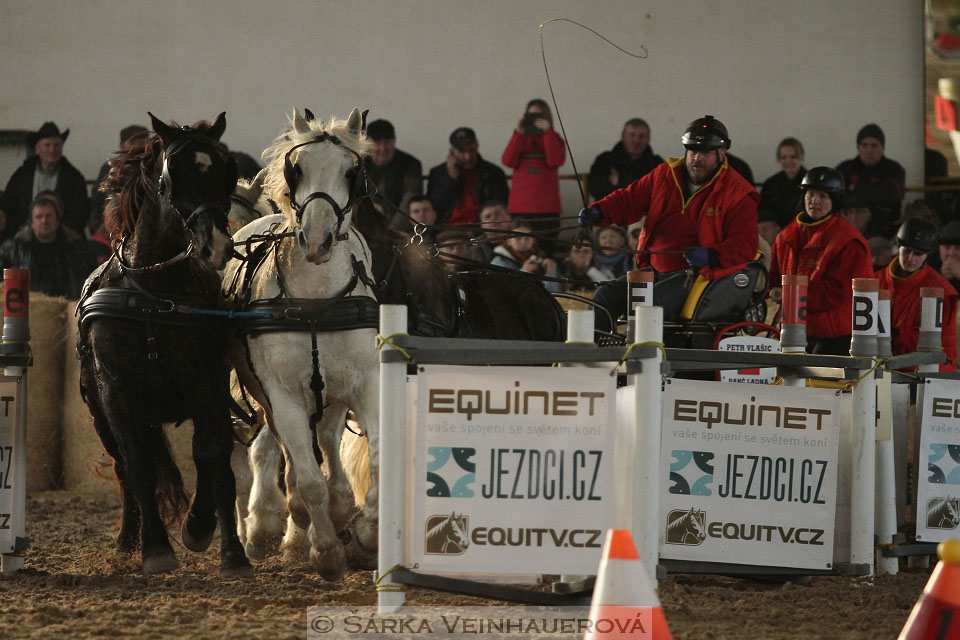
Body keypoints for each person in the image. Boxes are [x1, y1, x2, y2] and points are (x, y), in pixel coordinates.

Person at [578, 115, 759, 329]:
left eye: (705, 152)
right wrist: (600, 211)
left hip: (699, 279)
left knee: (647, 308)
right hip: (653, 271)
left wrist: (712, 255)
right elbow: (629, 199)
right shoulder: (664, 175)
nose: (697, 158)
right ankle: (598, 353)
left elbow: (746, 245)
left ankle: (639, 355)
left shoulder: (738, 193)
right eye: (692, 151)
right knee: (605, 296)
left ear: (722, 153)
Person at [769, 167, 874, 354]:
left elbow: (837, 293)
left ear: (834, 201)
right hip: (792, 331)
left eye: (823, 196)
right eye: (810, 194)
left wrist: (790, 296)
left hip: (834, 336)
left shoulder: (847, 241)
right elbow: (774, 279)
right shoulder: (786, 237)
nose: (814, 201)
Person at [876, 218, 957, 371]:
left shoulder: (942, 291)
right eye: (907, 250)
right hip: (878, 371)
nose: (910, 258)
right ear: (898, 248)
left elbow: (947, 350)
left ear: (927, 255)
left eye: (918, 253)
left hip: (917, 375)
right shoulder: (874, 281)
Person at [1, 122, 89, 237]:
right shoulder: (22, 175)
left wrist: (57, 231)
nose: (52, 150)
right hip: (25, 237)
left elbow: (80, 212)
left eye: (56, 145)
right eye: (47, 145)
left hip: (63, 239)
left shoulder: (74, 178)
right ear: (37, 149)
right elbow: (9, 204)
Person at [501, 99, 565, 255]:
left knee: (546, 251)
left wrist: (548, 132)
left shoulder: (554, 138)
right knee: (519, 251)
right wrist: (519, 132)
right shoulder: (520, 137)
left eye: (539, 115)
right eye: (531, 115)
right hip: (520, 209)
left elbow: (555, 160)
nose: (535, 119)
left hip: (547, 209)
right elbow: (508, 161)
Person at [0, 192, 92, 299]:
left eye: (49, 216)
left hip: (66, 306)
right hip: (27, 308)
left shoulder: (76, 247)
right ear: (31, 222)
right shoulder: (12, 249)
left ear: (57, 220)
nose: (44, 221)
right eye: (39, 217)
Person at [835, 124, 906, 238]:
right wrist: (875, 191)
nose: (869, 150)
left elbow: (892, 196)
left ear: (882, 148)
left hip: (884, 234)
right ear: (858, 147)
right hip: (846, 233)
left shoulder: (894, 169)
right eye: (865, 145)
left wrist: (857, 188)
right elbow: (835, 198)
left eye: (874, 146)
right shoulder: (845, 169)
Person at [427, 127, 508, 225]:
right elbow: (435, 208)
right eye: (461, 151)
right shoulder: (437, 174)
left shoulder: (493, 173)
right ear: (452, 152)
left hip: (481, 229)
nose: (468, 156)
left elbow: (500, 206)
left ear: (477, 146)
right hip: (447, 229)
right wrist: (451, 178)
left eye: (472, 150)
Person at [89, 124, 149, 235]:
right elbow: (97, 202)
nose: (138, 148)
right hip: (110, 230)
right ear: (122, 146)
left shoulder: (153, 169)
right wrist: (96, 227)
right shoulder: (109, 169)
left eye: (142, 143)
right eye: (132, 143)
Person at [363, 119, 424, 226]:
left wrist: (393, 229)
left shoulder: (410, 164)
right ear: (368, 143)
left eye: (387, 142)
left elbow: (410, 198)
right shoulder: (358, 164)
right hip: (364, 226)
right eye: (377, 143)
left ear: (394, 141)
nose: (382, 148)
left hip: (400, 227)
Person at [588, 118, 664, 201]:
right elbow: (595, 189)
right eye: (632, 135)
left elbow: (662, 192)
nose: (636, 141)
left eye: (641, 136)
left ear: (648, 139)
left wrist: (621, 180)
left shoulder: (657, 164)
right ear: (623, 136)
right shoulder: (604, 160)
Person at [490, 222, 561, 292]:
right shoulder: (499, 262)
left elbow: (554, 292)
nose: (523, 242)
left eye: (527, 238)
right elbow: (503, 291)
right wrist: (523, 272)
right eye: (517, 238)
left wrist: (551, 272)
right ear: (508, 241)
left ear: (533, 240)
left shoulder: (541, 258)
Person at [759, 137, 807, 228]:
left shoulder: (812, 183)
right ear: (779, 159)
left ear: (801, 157)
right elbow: (763, 211)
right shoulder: (770, 184)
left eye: (793, 157)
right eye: (784, 157)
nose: (788, 161)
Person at [936, 219, 960, 291]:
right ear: (940, 249)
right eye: (947, 247)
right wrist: (940, 278)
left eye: (958, 248)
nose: (951, 253)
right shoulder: (928, 267)